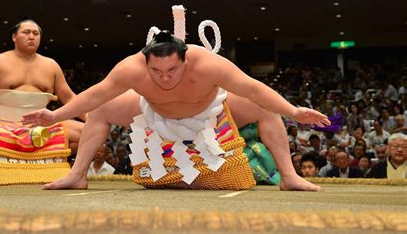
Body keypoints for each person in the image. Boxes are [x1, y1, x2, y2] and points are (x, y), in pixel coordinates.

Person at [23, 30, 330, 191]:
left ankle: (289, 177)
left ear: (186, 60)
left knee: (265, 107)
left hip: (213, 109)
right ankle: (77, 175)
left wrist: (293, 110)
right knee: (103, 108)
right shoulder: (132, 69)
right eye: (157, 71)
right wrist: (55, 115)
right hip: (155, 113)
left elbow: (253, 88)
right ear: (146, 63)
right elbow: (94, 95)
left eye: (172, 69)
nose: (165, 77)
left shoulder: (208, 64)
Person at [0, 19, 83, 160]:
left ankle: (37, 157)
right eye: (26, 32)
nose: (31, 36)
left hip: (42, 129)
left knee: (89, 133)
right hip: (2, 126)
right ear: (14, 37)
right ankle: (1, 158)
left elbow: (70, 98)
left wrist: (89, 118)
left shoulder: (51, 65)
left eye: (36, 33)